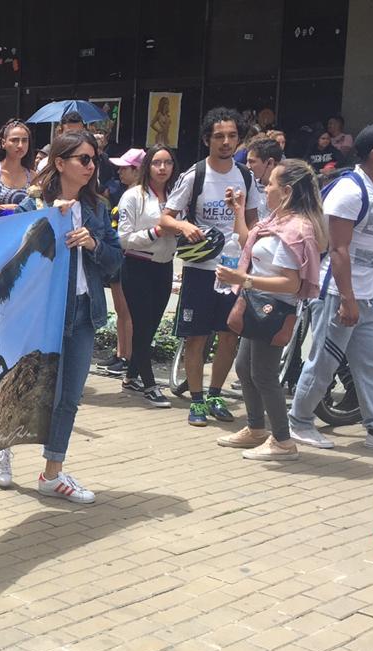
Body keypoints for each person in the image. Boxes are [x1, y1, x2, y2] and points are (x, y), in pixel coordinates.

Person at [0, 130, 123, 502]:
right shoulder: (33, 205)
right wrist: (47, 229)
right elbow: (11, 261)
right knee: (24, 388)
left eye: (94, 159)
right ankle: (1, 448)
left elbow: (115, 261)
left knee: (69, 395)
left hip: (82, 312)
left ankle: (52, 472)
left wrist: (93, 244)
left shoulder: (96, 207)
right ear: (60, 163)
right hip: (41, 314)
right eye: (83, 159)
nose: (91, 166)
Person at [289, 124, 373, 451]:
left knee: (371, 360)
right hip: (336, 291)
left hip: (366, 293)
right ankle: (298, 421)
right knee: (324, 360)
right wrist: (347, 299)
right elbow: (338, 249)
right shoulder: (349, 190)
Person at [214, 160, 325, 460]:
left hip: (273, 309)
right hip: (256, 303)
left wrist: (243, 279)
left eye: (270, 184)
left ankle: (283, 441)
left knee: (263, 374)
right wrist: (238, 211)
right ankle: (256, 428)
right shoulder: (276, 221)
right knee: (244, 368)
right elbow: (245, 238)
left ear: (287, 191)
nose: (265, 188)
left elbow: (290, 284)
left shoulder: (297, 229)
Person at [160, 107, 263, 427]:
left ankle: (216, 394)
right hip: (200, 269)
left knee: (229, 335)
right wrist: (184, 228)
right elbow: (165, 217)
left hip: (234, 271)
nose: (226, 142)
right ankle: (197, 400)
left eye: (232, 136)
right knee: (196, 337)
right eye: (219, 136)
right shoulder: (196, 175)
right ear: (207, 140)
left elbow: (254, 221)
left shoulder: (246, 176)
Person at [118, 145, 178, 408]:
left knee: (151, 326)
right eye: (156, 163)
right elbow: (123, 239)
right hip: (138, 266)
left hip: (164, 267)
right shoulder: (133, 196)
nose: (162, 168)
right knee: (142, 326)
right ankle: (150, 383)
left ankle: (132, 375)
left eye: (167, 163)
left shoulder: (176, 196)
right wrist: (155, 232)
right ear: (147, 166)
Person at [97, 148, 145, 376]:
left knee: (126, 310)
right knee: (119, 309)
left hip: (128, 258)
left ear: (136, 170)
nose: (120, 171)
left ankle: (127, 356)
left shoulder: (139, 195)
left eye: (125, 168)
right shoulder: (127, 193)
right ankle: (120, 352)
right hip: (118, 258)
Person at [0, 119, 37, 207]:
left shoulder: (33, 177)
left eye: (24, 140)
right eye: (14, 140)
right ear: (3, 143)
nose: (20, 145)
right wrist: (3, 209)